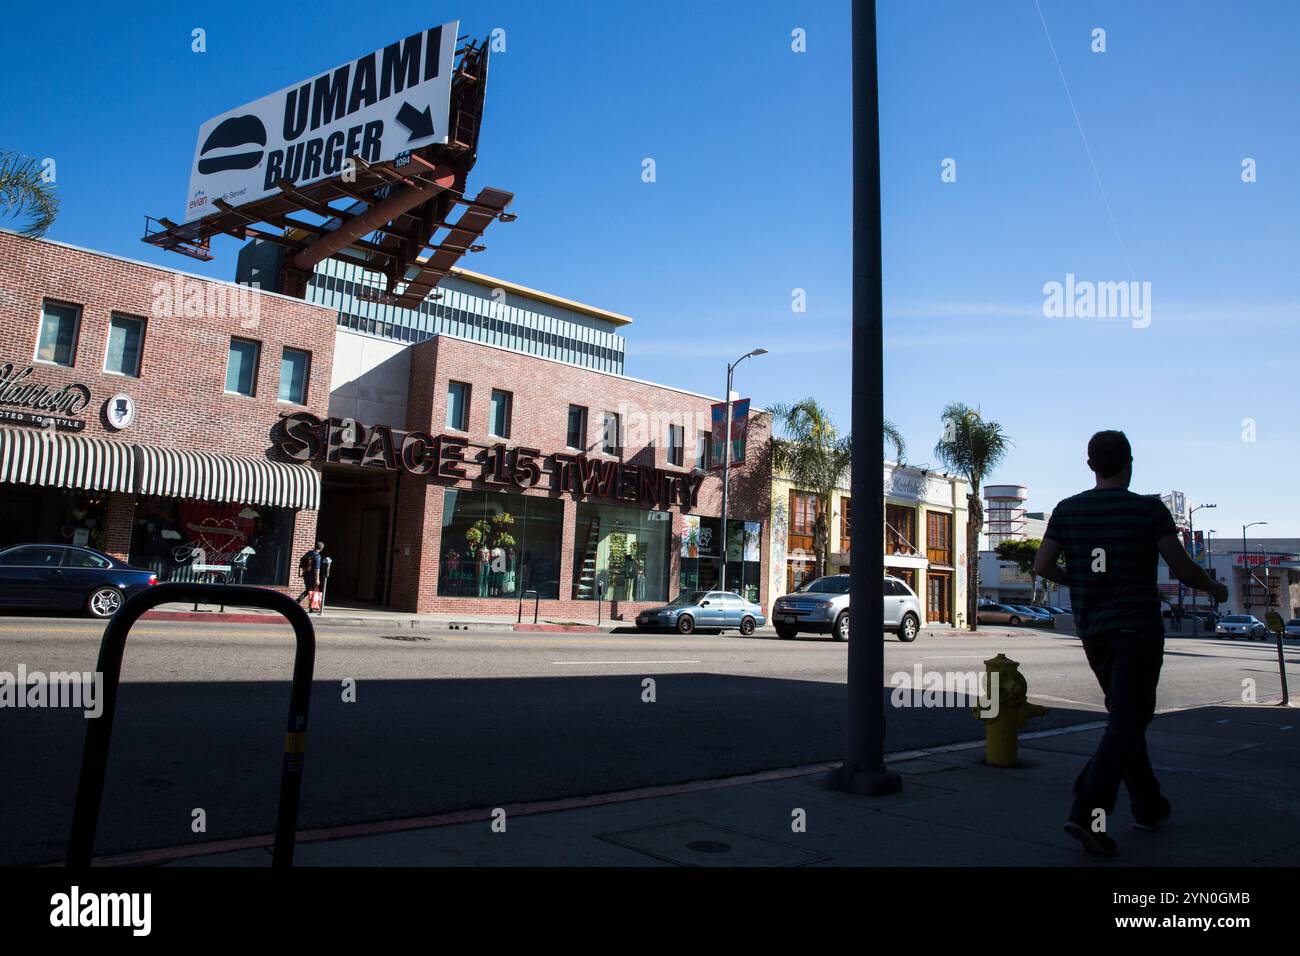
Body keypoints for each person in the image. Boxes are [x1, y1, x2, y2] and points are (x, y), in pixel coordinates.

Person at [1034, 431, 1228, 857]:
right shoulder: (1148, 509)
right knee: (1129, 718)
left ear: (1090, 465)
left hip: (1094, 632)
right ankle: (1088, 808)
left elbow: (1043, 564)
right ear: (1130, 462)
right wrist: (1214, 589)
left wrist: (1080, 579)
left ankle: (1148, 805)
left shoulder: (1068, 510)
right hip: (1137, 629)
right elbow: (1180, 566)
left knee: (1127, 717)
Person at [296, 541, 325, 605]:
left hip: (306, 575)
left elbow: (302, 563)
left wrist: (304, 572)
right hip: (313, 577)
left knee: (308, 590)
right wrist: (317, 579)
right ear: (321, 548)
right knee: (313, 591)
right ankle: (312, 607)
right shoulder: (317, 556)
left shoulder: (308, 553)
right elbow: (317, 569)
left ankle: (297, 602)